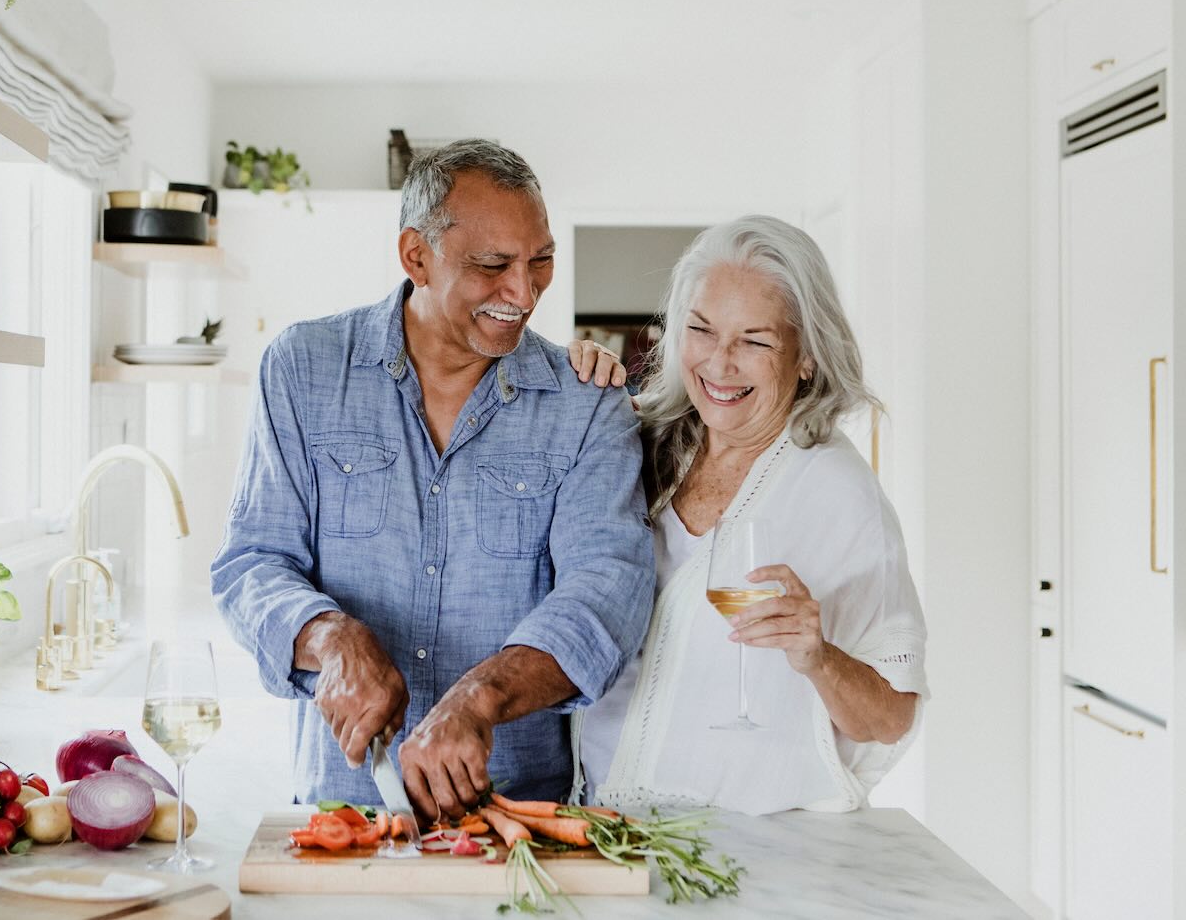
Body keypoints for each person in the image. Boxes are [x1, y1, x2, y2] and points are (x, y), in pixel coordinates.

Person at [211, 139, 655, 820]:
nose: (524, 292)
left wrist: (480, 697)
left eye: (541, 262)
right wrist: (329, 637)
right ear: (416, 256)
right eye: (492, 266)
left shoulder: (587, 402)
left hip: (516, 816)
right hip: (341, 810)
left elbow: (606, 594)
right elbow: (251, 562)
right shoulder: (302, 369)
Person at [572, 215, 928, 815]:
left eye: (755, 341)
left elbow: (890, 717)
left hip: (744, 848)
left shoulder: (839, 495)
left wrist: (819, 656)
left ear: (807, 357)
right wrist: (571, 380)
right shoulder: (639, 442)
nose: (719, 363)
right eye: (701, 330)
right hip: (598, 822)